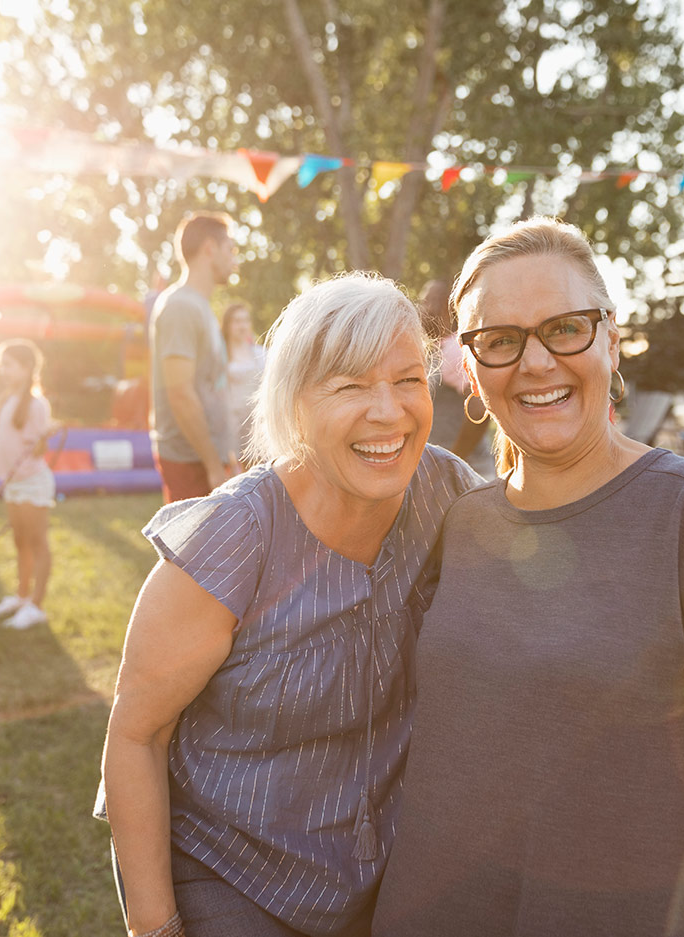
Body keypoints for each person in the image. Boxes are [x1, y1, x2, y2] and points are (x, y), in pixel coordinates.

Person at [373, 218, 684, 937]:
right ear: (472, 373)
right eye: (500, 339)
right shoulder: (459, 524)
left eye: (566, 328)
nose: (536, 361)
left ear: (612, 339)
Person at [96, 273, 481, 937]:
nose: (388, 411)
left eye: (406, 380)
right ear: (296, 406)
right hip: (227, 872)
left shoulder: (446, 491)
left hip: (379, 881)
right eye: (350, 385)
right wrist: (155, 927)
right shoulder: (234, 535)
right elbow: (137, 733)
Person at [149, 211, 241, 503]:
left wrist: (225, 456)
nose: (235, 258)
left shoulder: (200, 307)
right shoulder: (180, 307)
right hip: (190, 463)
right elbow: (180, 394)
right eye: (231, 249)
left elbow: (213, 388)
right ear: (209, 249)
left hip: (207, 461)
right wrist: (213, 466)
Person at [0, 339, 54, 631]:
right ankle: (21, 596)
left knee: (37, 543)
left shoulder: (37, 405)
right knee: (20, 541)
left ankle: (36, 606)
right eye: (2, 364)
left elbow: (38, 448)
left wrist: (48, 434)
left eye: (9, 364)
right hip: (13, 483)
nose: (3, 370)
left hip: (32, 483)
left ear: (26, 368)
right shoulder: (10, 399)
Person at [420, 279, 491, 468]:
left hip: (470, 471)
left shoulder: (454, 350)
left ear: (446, 307)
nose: (423, 309)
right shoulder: (435, 350)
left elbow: (480, 407)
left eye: (429, 300)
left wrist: (455, 460)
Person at [221, 302, 265, 466]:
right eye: (237, 321)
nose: (242, 325)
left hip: (257, 424)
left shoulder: (260, 353)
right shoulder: (219, 356)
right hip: (230, 425)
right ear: (228, 325)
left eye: (245, 320)